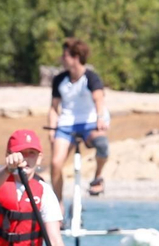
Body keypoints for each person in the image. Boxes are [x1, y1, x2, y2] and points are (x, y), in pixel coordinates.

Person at [47, 37, 111, 197]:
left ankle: (97, 177)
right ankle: (58, 204)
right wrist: (52, 128)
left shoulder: (91, 77)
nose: (62, 59)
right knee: (55, 163)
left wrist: (100, 118)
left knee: (102, 145)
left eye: (65, 56)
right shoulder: (59, 80)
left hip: (89, 123)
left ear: (75, 58)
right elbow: (54, 107)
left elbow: (99, 99)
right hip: (66, 125)